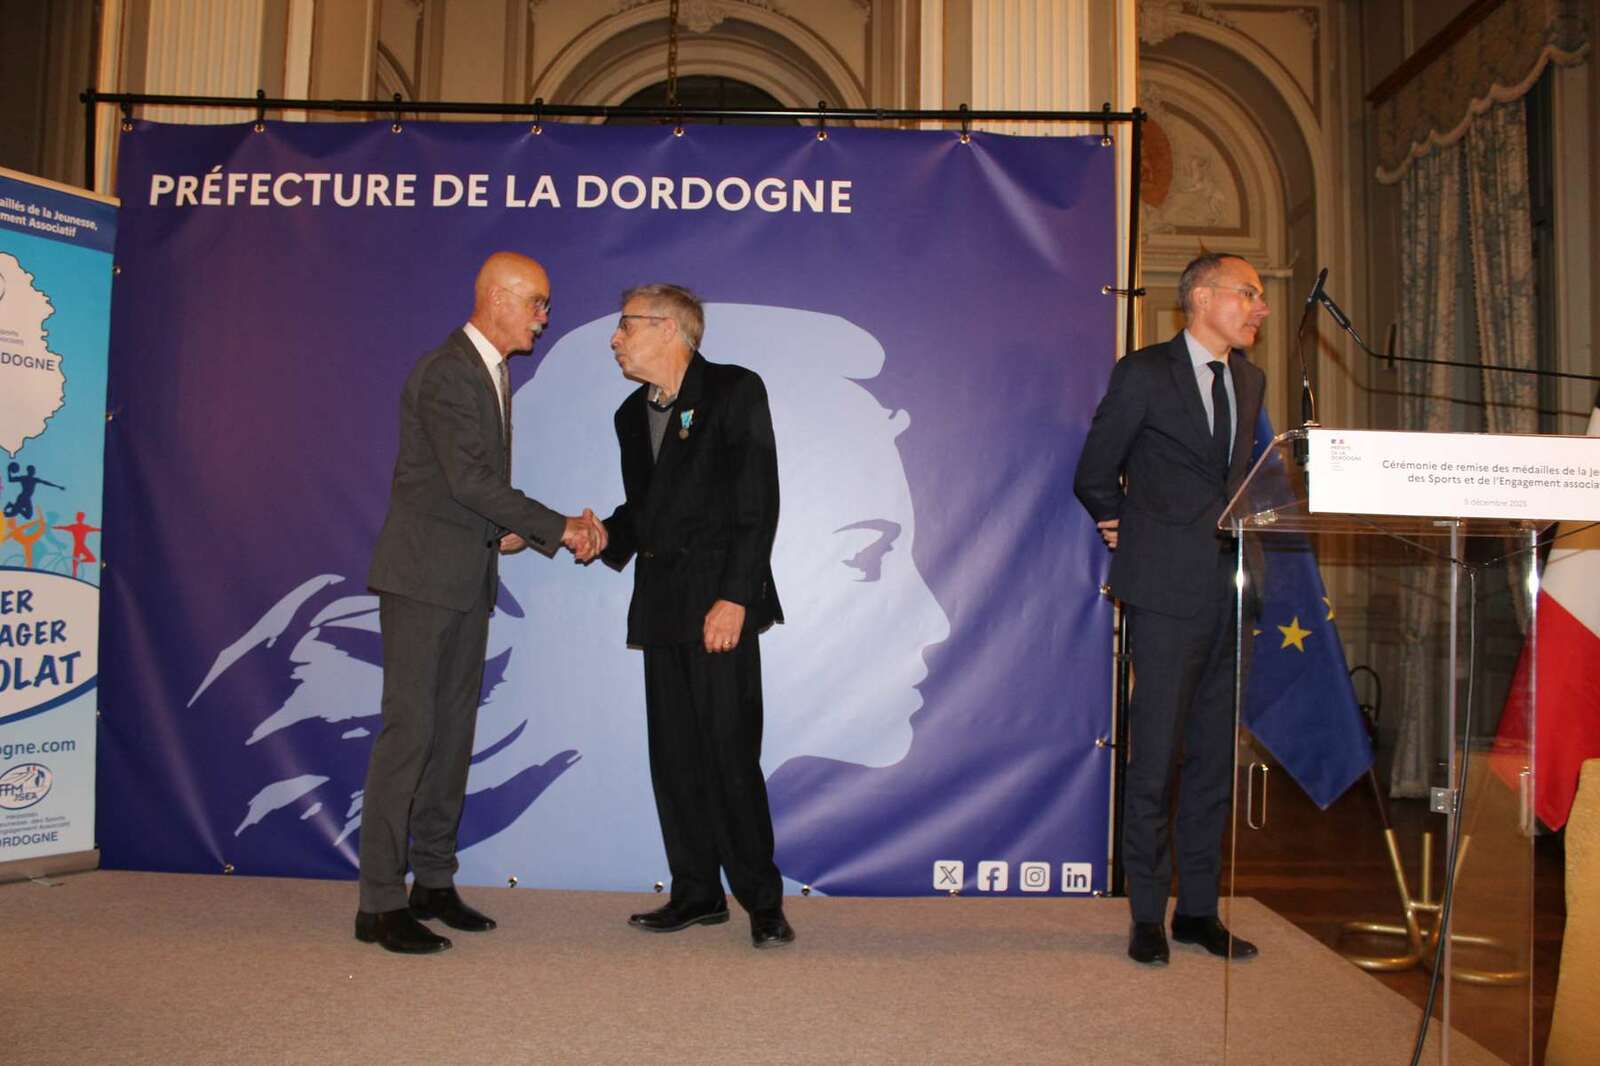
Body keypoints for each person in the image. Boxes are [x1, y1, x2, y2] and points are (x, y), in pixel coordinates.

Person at [355, 250, 606, 955]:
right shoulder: (448, 371)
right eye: (537, 303)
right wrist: (557, 527)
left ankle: (432, 882)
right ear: (497, 298)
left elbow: (455, 488)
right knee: (410, 735)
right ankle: (379, 902)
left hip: (465, 579)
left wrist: (501, 533)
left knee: (452, 737)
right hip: (422, 582)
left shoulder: (489, 372)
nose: (544, 318)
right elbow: (469, 480)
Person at [1073, 251, 1269, 966]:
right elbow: (1095, 470)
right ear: (1204, 297)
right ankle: (1148, 913)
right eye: (1248, 293)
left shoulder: (1250, 380)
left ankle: (1198, 911)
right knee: (1155, 756)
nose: (1260, 308)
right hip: (1163, 590)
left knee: (1214, 758)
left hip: (1231, 587)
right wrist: (1119, 523)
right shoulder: (1145, 373)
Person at [592, 284, 792, 948]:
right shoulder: (630, 415)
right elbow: (645, 511)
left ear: (671, 329)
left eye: (626, 325)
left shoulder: (735, 390)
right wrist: (596, 536)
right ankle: (697, 891)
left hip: (718, 605)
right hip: (661, 607)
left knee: (730, 755)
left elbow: (757, 502)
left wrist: (735, 597)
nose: (615, 339)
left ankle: (763, 901)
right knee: (674, 759)